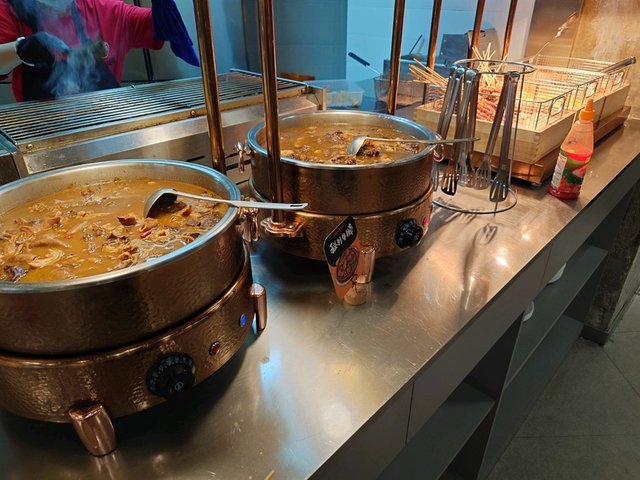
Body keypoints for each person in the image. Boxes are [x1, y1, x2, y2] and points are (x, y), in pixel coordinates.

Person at [0, 0, 199, 102]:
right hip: (41, 133)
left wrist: (164, 7)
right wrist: (20, 49)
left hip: (106, 125)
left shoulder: (103, 8)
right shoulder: (12, 9)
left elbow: (163, 26)